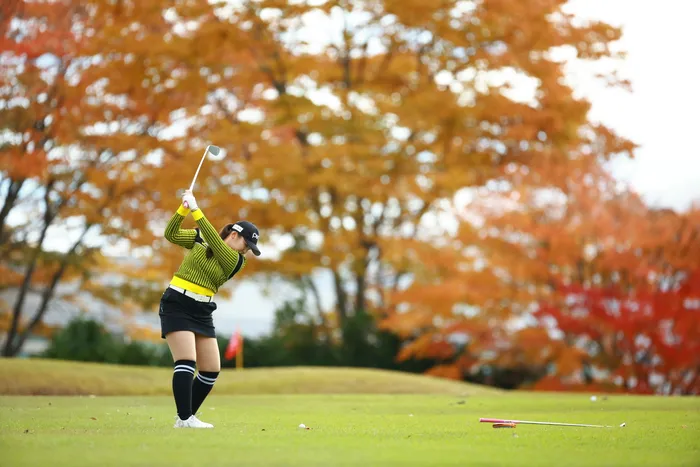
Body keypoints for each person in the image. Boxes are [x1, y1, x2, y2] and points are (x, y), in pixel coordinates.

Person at [159, 189, 261, 428]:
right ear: (234, 234)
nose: (246, 251)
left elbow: (216, 243)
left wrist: (196, 209)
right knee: (186, 360)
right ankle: (185, 418)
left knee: (211, 370)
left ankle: (185, 417)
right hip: (177, 303)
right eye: (246, 244)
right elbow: (170, 234)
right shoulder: (200, 238)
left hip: (202, 310)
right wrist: (183, 208)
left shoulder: (236, 261)